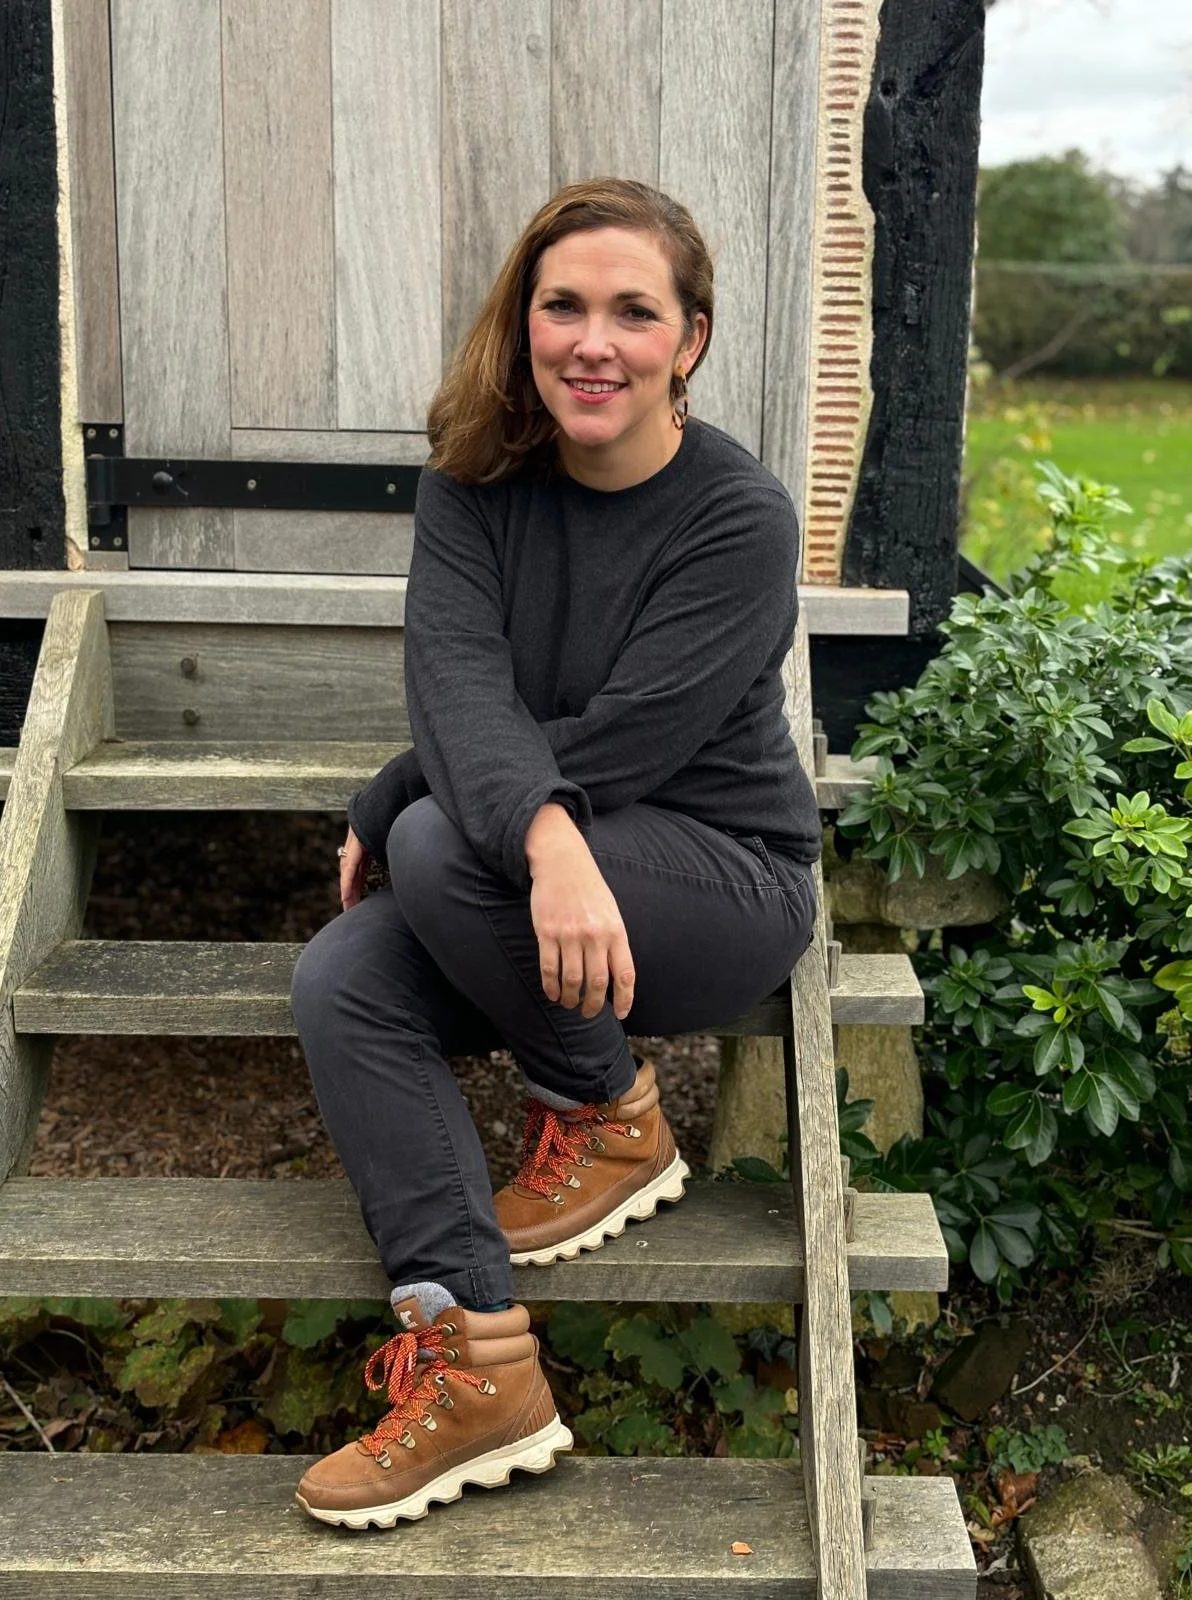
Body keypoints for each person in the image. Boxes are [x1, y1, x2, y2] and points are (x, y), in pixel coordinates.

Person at [289, 177, 822, 1529]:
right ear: (523, 323)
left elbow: (630, 737)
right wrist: (478, 799)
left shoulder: (737, 518)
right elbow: (458, 689)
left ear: (689, 342)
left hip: (714, 875)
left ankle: (605, 1112)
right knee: (342, 978)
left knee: (434, 841)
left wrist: (444, 799)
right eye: (563, 305)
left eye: (634, 312)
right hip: (537, 889)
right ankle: (477, 1363)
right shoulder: (475, 489)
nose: (595, 341)